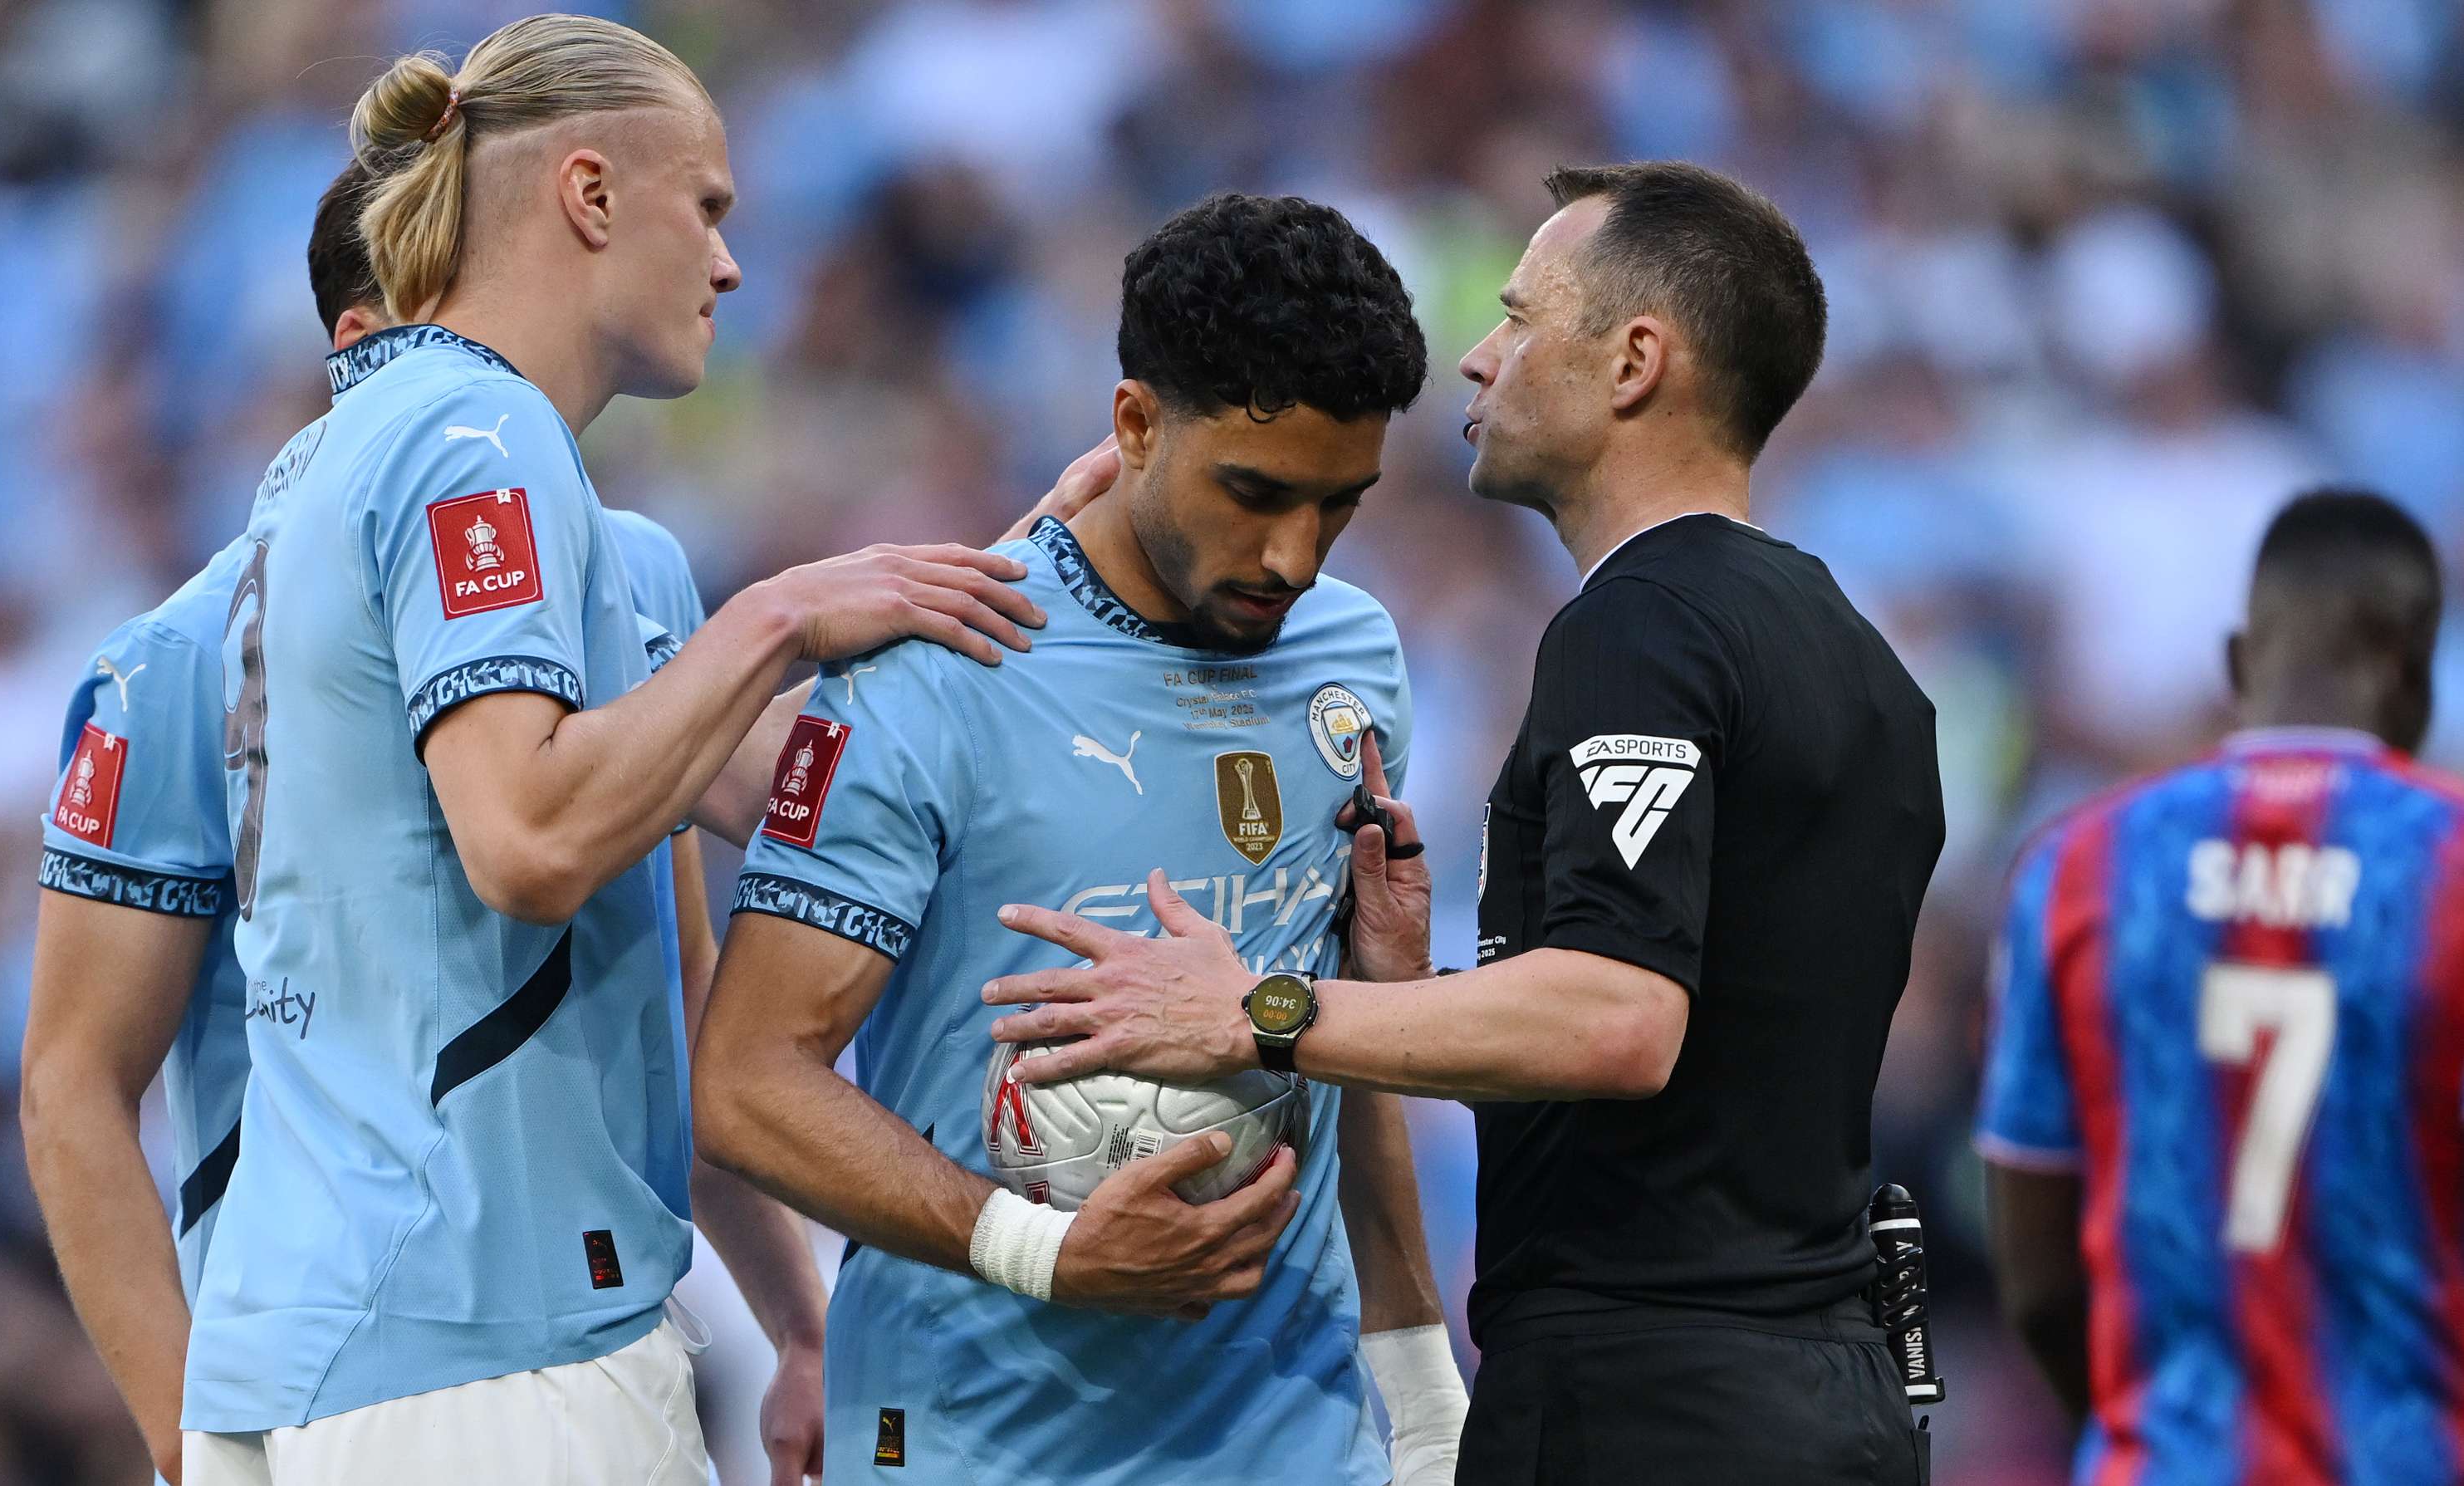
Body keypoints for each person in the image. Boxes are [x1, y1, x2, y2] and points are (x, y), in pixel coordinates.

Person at [982, 161, 1942, 1484]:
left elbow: (1619, 1019)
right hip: (1830, 1381)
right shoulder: (1856, 655)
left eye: (1520, 315)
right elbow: (1716, 1033)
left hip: (1653, 1398)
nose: (1479, 361)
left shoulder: (1640, 625)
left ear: (1634, 362)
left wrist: (1257, 1009)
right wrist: (1410, 989)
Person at [181, 19, 1046, 1484]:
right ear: (588, 195)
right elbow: (526, 838)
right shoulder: (478, 433)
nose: (728, 264)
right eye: (706, 206)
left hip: (317, 1334)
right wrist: (776, 613)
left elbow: (769, 796)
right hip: (486, 1332)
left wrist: (1046, 597)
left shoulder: (332, 460)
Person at [693, 193, 1466, 1485]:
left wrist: (1422, 1387)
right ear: (1134, 423)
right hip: (972, 1438)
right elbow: (747, 1084)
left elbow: (1330, 1044)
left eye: (1340, 506)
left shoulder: (1355, 657)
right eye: (1255, 492)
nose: (1292, 555)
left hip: (1290, 1433)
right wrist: (1043, 1250)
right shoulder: (932, 670)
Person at [1980, 489, 2464, 1484]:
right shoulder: (2451, 864)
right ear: (2418, 673)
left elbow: (2035, 1281)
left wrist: (2137, 1435)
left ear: (2239, 661)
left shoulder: (2075, 868)